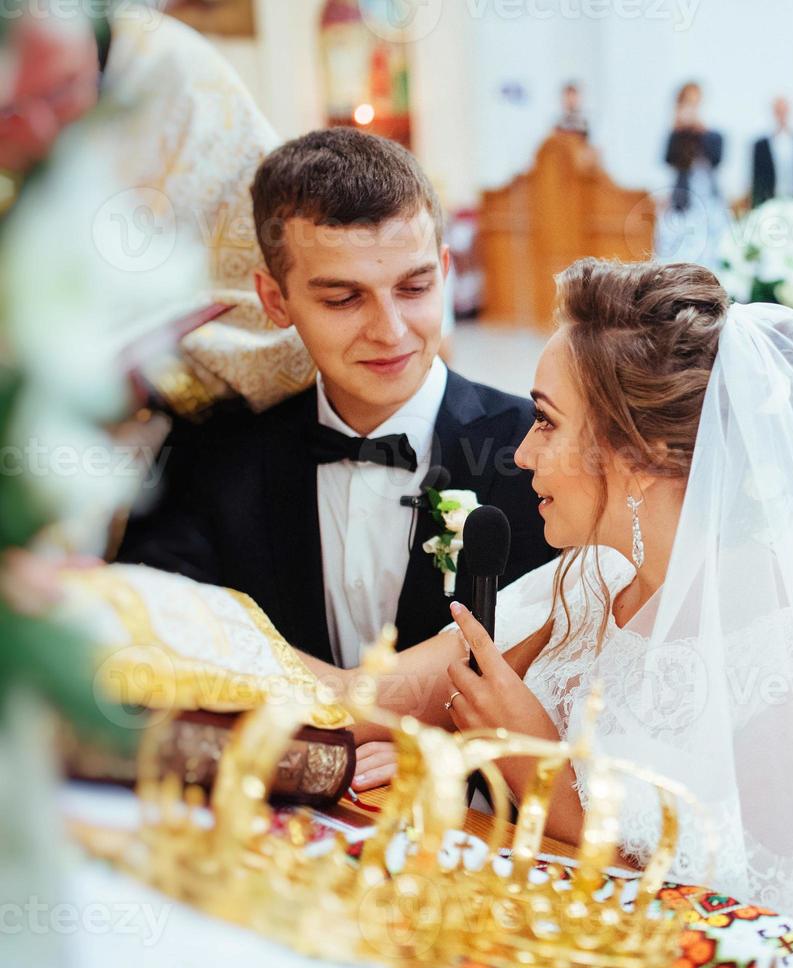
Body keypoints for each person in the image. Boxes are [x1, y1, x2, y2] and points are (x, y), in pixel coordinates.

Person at [308, 260, 793, 968]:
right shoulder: (588, 577)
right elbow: (362, 696)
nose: (522, 454)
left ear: (641, 455)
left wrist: (531, 763)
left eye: (547, 423)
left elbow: (746, 938)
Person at [117, 128, 556, 667]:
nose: (391, 331)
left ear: (444, 272)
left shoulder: (536, 454)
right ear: (276, 301)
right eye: (344, 299)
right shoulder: (214, 454)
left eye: (414, 288)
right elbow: (155, 624)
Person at [1, 7, 313, 417]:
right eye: (8, 113)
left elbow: (280, 311)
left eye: (63, 91)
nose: (40, 132)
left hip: (203, 426)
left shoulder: (177, 82)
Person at [656, 81, 730, 267]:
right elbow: (671, 160)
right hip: (684, 203)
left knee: (714, 251)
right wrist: (681, 131)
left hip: (710, 201)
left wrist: (699, 129)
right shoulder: (677, 135)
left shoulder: (712, 134)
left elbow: (717, 158)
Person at [751, 95, 793, 208]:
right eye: (778, 111)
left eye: (784, 110)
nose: (781, 115)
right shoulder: (760, 146)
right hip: (770, 204)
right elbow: (757, 181)